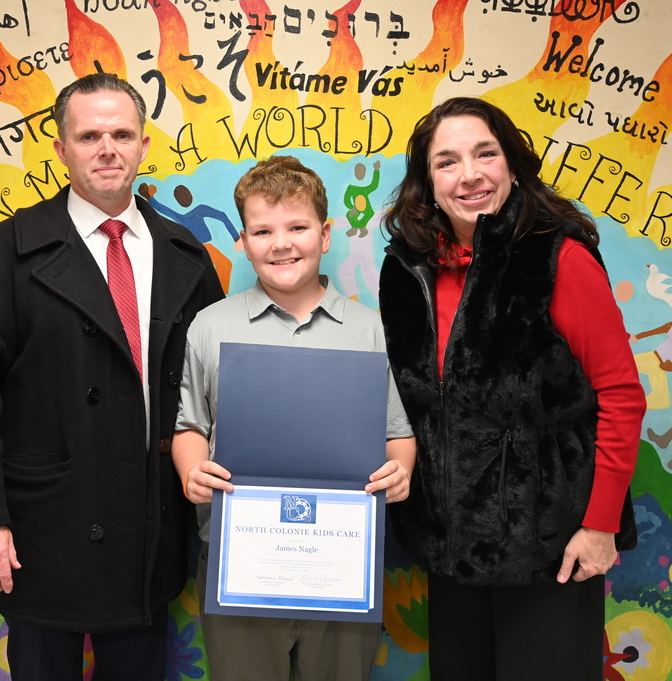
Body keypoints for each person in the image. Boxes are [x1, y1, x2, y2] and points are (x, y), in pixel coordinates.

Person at [0, 73, 223, 681]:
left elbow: (213, 390)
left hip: (149, 524)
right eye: (89, 135)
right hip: (45, 529)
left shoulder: (185, 256)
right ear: (62, 148)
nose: (107, 149)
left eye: (121, 133)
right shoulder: (6, 253)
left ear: (144, 144)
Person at [377, 98, 645, 681]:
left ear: (513, 164)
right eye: (447, 161)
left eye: (484, 154)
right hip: (451, 550)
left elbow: (621, 396)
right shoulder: (409, 269)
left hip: (549, 549)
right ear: (429, 183)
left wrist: (599, 526)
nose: (468, 174)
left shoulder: (559, 259)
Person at [172, 155, 415, 681]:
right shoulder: (210, 327)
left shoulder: (370, 329)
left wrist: (401, 470)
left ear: (325, 235)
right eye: (263, 230)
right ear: (243, 241)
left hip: (343, 564)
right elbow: (189, 423)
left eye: (297, 227)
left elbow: (397, 432)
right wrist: (192, 469)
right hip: (239, 559)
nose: (281, 243)